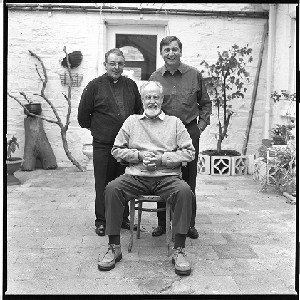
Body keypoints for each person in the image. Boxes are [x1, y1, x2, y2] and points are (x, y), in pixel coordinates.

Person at [98, 81, 195, 276]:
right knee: (111, 188)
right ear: (142, 100)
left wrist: (162, 159)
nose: (152, 101)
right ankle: (114, 247)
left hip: (166, 177)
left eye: (156, 97)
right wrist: (139, 157)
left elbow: (189, 153)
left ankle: (179, 249)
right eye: (148, 97)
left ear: (162, 99)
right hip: (137, 176)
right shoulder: (131, 122)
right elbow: (116, 150)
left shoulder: (174, 123)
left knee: (185, 192)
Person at [149, 36, 212, 239]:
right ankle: (161, 223)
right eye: (166, 50)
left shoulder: (194, 75)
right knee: (162, 176)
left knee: (188, 178)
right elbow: (150, 106)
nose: (171, 53)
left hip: (189, 132)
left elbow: (205, 103)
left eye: (174, 49)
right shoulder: (155, 78)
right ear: (161, 53)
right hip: (163, 134)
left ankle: (188, 224)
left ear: (180, 51)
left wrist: (199, 127)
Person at [77, 48, 143, 236]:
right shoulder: (94, 86)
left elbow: (138, 112)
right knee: (104, 183)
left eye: (120, 63)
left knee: (124, 182)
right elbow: (83, 117)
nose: (116, 67)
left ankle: (123, 218)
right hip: (103, 145)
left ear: (124, 65)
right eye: (112, 63)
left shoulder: (130, 85)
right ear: (105, 65)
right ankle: (102, 221)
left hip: (126, 147)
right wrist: (100, 130)